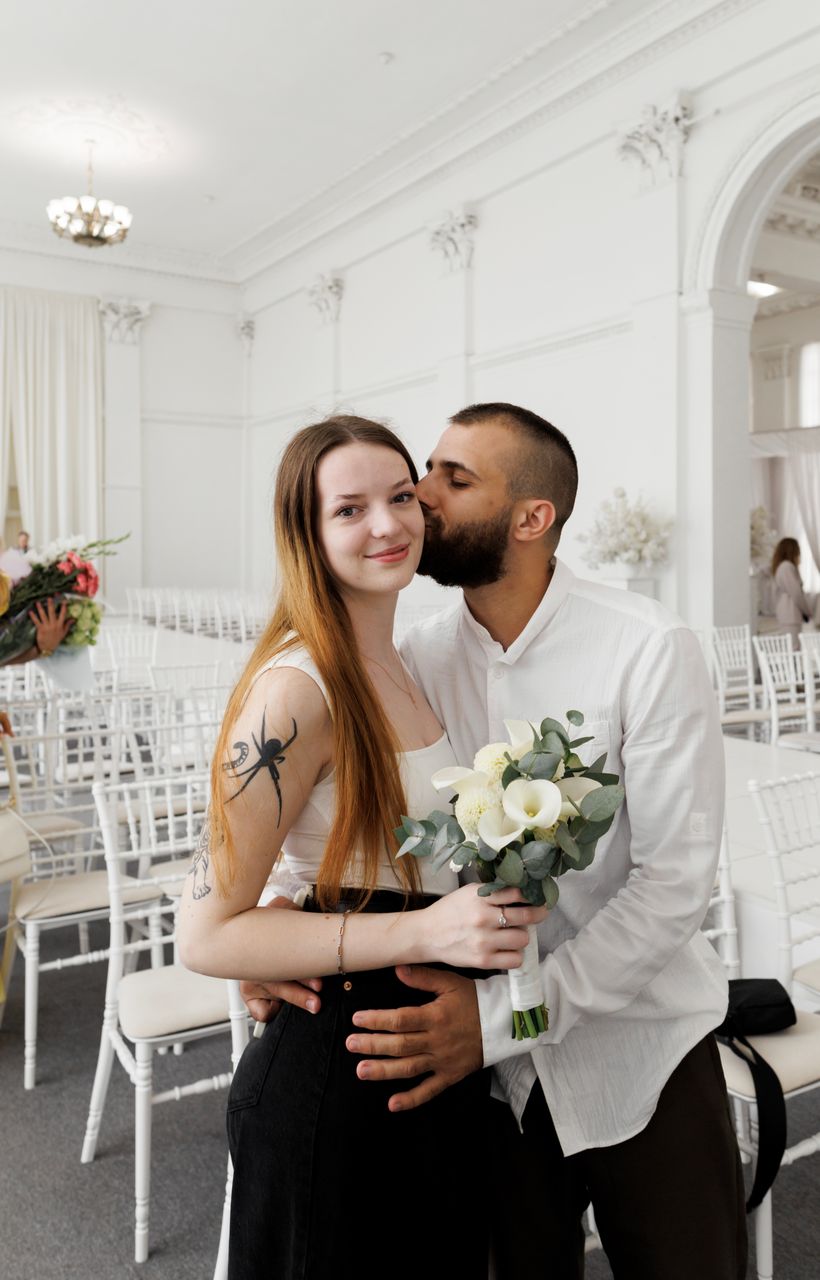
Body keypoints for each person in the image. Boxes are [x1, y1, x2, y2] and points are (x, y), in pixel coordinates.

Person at [246, 403, 747, 1280]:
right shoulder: (413, 658)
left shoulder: (646, 648)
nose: (421, 496)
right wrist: (275, 917)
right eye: (426, 470)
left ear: (530, 518)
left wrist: (504, 1022)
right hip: (481, 1083)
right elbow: (347, 814)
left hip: (638, 1052)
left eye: (453, 478)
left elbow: (672, 887)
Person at [177, 415, 545, 1280]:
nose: (387, 524)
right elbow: (204, 933)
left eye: (401, 496)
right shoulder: (296, 689)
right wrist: (424, 931)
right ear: (306, 532)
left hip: (425, 1057)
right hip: (335, 1079)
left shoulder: (405, 662)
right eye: (349, 509)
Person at [771, 536, 813, 645]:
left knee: (792, 647)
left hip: (788, 616)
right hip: (790, 616)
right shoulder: (787, 567)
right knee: (793, 648)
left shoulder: (783, 567)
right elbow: (796, 594)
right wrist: (807, 611)